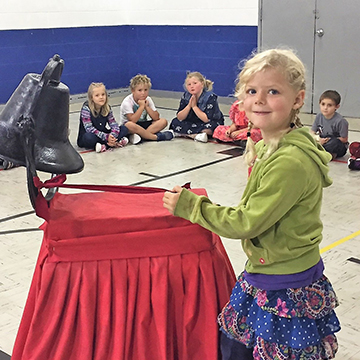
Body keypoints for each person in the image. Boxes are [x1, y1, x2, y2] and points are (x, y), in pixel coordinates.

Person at [163, 49, 340, 360]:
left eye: (273, 91)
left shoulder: (290, 161)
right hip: (267, 268)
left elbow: (247, 222)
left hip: (283, 281)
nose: (259, 100)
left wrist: (192, 206)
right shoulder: (272, 145)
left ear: (297, 100)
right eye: (252, 91)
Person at [169, 71, 224, 143]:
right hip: (192, 121)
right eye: (189, 84)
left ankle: (184, 133)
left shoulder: (210, 97)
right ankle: (195, 135)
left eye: (195, 83)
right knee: (175, 122)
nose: (192, 86)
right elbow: (180, 117)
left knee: (211, 127)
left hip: (207, 121)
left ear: (202, 84)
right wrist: (189, 106)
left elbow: (206, 119)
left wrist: (194, 107)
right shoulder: (186, 96)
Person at [119, 74, 174, 143]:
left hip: (143, 125)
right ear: (133, 90)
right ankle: (155, 137)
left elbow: (156, 117)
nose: (143, 93)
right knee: (129, 125)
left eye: (145, 90)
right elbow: (132, 120)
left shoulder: (148, 99)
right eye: (140, 90)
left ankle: (140, 136)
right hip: (131, 127)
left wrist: (147, 107)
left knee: (163, 121)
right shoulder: (127, 101)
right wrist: (141, 107)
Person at [77, 82, 129, 153]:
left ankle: (106, 145)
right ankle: (112, 143)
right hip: (91, 135)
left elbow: (113, 124)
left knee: (124, 129)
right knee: (88, 138)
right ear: (91, 97)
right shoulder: (86, 108)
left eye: (103, 94)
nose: (101, 97)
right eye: (97, 95)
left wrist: (112, 135)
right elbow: (89, 128)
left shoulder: (107, 108)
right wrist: (106, 137)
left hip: (103, 135)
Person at [310, 90, 349, 159]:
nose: (325, 108)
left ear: (336, 107)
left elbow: (344, 139)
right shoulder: (319, 116)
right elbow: (312, 132)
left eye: (329, 105)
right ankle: (322, 151)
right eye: (323, 104)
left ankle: (326, 152)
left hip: (335, 143)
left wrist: (326, 141)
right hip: (322, 140)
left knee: (334, 143)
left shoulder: (341, 121)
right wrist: (318, 139)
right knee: (307, 138)